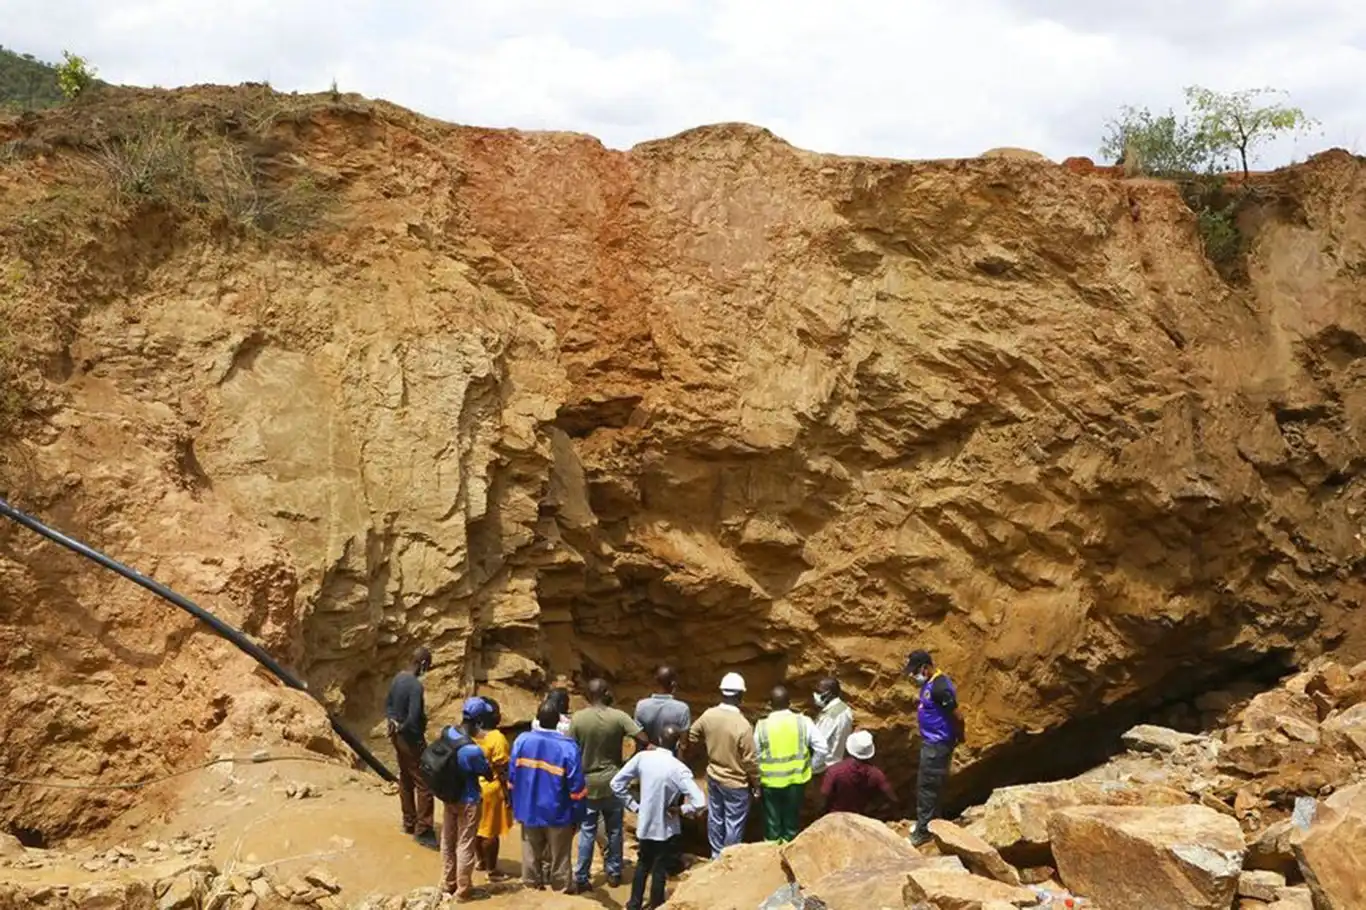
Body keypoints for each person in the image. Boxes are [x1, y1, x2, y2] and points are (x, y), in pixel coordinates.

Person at [611, 724, 706, 910]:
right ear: (678, 744)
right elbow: (700, 802)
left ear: (659, 740)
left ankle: (634, 904)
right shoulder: (678, 768)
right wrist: (681, 810)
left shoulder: (642, 758)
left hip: (645, 824)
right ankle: (656, 904)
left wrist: (634, 806)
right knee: (660, 868)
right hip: (667, 827)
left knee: (643, 864)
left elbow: (616, 784)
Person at [569, 679, 649, 894]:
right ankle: (614, 872)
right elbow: (642, 738)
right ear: (604, 692)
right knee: (615, 830)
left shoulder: (578, 719)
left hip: (587, 782)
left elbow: (570, 750)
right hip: (614, 780)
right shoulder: (619, 716)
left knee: (587, 830)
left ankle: (582, 877)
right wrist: (629, 763)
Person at [510, 699, 588, 892]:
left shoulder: (522, 741)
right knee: (560, 857)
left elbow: (512, 777)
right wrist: (578, 816)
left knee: (530, 854)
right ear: (557, 722)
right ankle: (560, 893)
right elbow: (577, 788)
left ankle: (530, 889)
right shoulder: (568, 747)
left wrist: (516, 805)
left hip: (528, 809)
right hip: (558, 813)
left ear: (537, 719)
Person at [687, 672, 760, 857]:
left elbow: (692, 735)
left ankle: (715, 855)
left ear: (722, 693)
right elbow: (750, 760)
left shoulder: (708, 715)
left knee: (715, 817)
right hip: (736, 782)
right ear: (740, 696)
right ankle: (729, 858)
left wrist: (709, 747)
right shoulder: (743, 725)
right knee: (733, 822)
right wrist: (757, 784)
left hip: (714, 776)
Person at [905, 649, 966, 847]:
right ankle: (932, 824)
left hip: (937, 744)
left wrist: (959, 736)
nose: (913, 676)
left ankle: (923, 832)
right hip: (932, 742)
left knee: (927, 787)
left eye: (915, 671)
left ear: (925, 667)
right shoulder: (931, 684)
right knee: (932, 785)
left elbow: (958, 716)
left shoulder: (940, 687)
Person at [754, 684, 829, 844]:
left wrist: (756, 779)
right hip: (796, 781)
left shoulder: (762, 726)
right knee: (791, 822)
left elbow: (755, 755)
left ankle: (770, 856)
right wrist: (811, 768)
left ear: (770, 704)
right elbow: (822, 748)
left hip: (770, 782)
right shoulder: (803, 722)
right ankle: (790, 851)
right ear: (790, 703)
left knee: (772, 824)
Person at [438, 698, 495, 900]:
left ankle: (447, 883)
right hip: (468, 799)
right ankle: (463, 890)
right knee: (465, 843)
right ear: (479, 722)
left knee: (447, 840)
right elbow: (487, 773)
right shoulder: (472, 750)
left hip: (448, 795)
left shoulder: (448, 732)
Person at [385, 646, 436, 848]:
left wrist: (394, 723)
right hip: (410, 739)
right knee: (425, 783)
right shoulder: (415, 686)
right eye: (428, 666)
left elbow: (388, 704)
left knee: (406, 778)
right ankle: (424, 830)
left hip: (396, 736)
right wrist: (410, 732)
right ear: (422, 664)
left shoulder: (398, 678)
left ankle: (409, 822)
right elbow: (414, 717)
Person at [473, 697, 514, 882]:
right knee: (491, 832)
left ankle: (480, 861)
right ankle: (492, 871)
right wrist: (509, 795)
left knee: (476, 828)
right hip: (490, 789)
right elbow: (502, 769)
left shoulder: (472, 734)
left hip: (472, 786)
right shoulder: (497, 738)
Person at [818, 730, 897, 818]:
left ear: (848, 749)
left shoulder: (835, 771)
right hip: (860, 820)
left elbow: (824, 797)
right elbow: (892, 799)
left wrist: (822, 816)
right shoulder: (876, 775)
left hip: (835, 818)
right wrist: (876, 812)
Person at [635, 666, 692, 747]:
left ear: (656, 682)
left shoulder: (641, 705)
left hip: (647, 756)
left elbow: (638, 735)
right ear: (673, 684)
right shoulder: (682, 709)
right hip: (671, 757)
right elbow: (683, 744)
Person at [812, 678, 854, 774]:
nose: (815, 695)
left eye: (819, 691)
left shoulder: (831, 716)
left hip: (823, 767)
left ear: (829, 694)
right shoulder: (844, 708)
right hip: (836, 762)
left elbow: (818, 744)